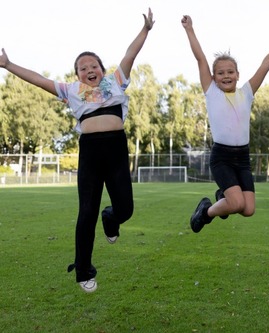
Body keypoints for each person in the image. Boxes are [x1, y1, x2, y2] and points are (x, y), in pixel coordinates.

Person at [0, 9, 155, 292]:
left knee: (125, 209)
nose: (89, 70)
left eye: (93, 65)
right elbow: (37, 79)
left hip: (117, 149)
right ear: (76, 75)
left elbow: (130, 54)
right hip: (91, 153)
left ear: (102, 69)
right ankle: (83, 270)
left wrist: (145, 30)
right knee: (86, 211)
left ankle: (111, 220)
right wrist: (8, 65)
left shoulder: (116, 81)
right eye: (83, 68)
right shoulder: (71, 90)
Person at [181, 15, 269, 233]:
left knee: (248, 209)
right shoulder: (212, 92)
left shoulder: (247, 93)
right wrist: (190, 29)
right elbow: (201, 59)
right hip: (222, 157)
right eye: (221, 73)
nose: (226, 76)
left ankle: (221, 198)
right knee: (236, 204)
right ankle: (205, 211)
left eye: (230, 72)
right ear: (213, 78)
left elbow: (266, 65)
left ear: (237, 75)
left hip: (242, 157)